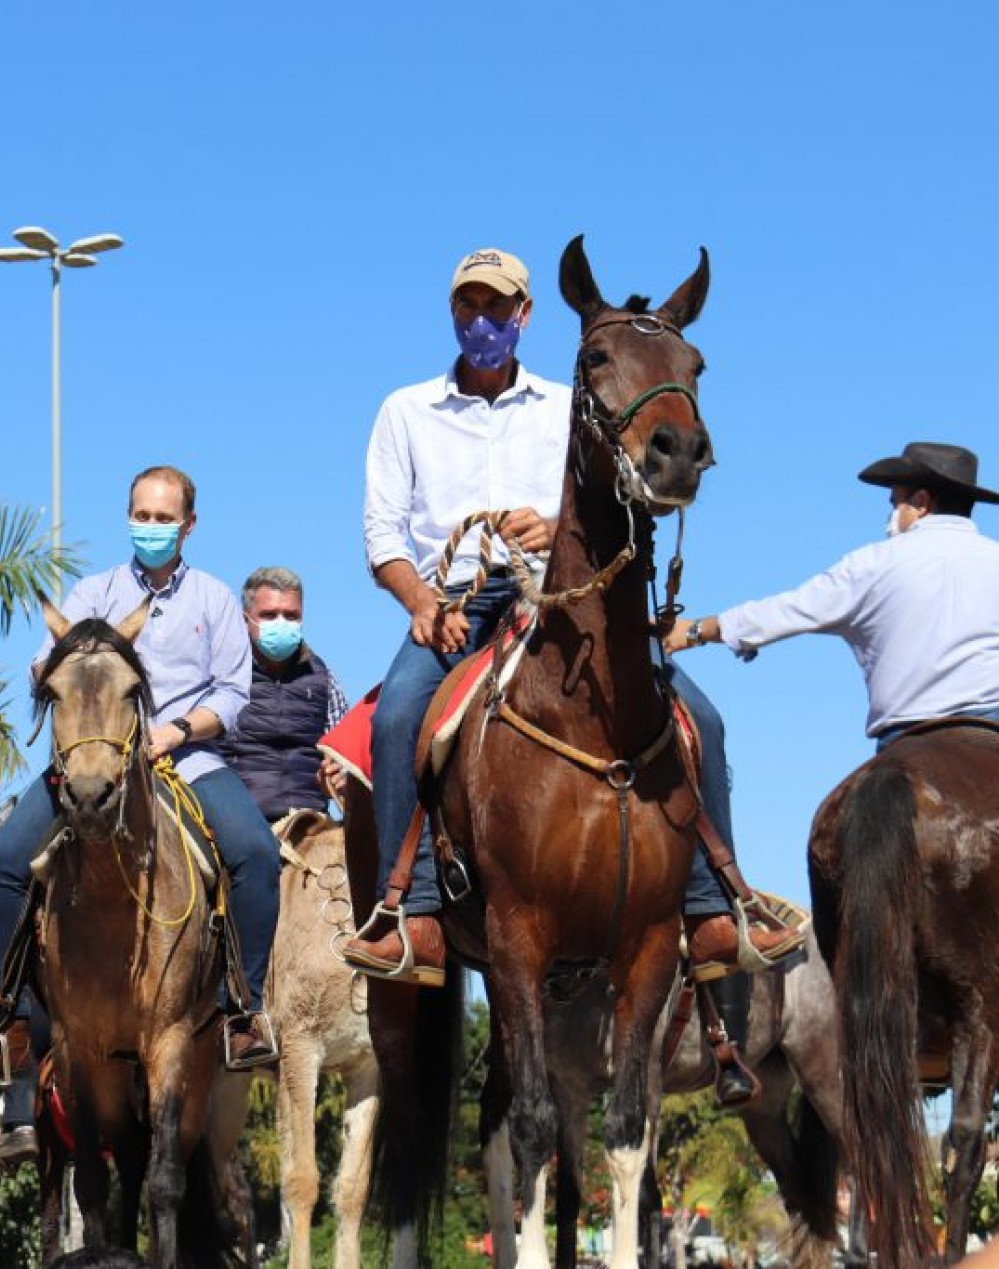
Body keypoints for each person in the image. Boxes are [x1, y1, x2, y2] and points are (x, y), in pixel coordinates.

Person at [339, 248, 799, 1104]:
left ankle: (709, 901)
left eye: (497, 305)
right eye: (467, 303)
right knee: (400, 712)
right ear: (452, 313)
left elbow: (605, 491)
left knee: (703, 715)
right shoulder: (404, 409)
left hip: (557, 598)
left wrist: (546, 525)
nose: (481, 317)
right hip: (452, 601)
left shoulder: (569, 398)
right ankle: (411, 915)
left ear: (522, 316)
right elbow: (382, 533)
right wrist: (415, 600)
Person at [0, 464, 283, 1089]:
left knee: (257, 854)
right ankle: (6, 1025)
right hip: (91, 765)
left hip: (187, 762)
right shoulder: (93, 594)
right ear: (128, 518)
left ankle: (244, 1009)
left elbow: (234, 693)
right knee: (2, 864)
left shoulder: (213, 600)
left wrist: (175, 731)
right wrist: (63, 660)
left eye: (163, 518)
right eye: (141, 517)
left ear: (188, 525)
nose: (150, 528)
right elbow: (43, 668)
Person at [664, 441, 999, 743]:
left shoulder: (873, 564)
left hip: (906, 734)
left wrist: (695, 631)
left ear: (921, 502)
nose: (891, 515)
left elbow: (788, 611)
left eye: (895, 502)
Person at [221, 566, 350, 821]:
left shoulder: (323, 678)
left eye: (291, 616)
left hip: (310, 824)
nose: (281, 623)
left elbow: (344, 752)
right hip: (238, 825)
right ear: (246, 619)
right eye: (269, 615)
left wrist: (341, 773)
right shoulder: (223, 675)